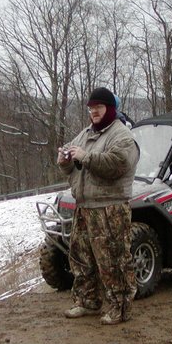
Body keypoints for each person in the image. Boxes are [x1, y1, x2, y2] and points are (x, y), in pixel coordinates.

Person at [58, 87, 140, 325]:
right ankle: (87, 301)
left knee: (114, 259)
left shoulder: (122, 135)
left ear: (110, 109)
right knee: (81, 257)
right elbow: (74, 163)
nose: (94, 112)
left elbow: (118, 164)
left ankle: (120, 307)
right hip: (84, 206)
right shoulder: (85, 134)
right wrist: (65, 161)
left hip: (110, 208)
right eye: (91, 108)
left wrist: (86, 157)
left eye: (99, 108)